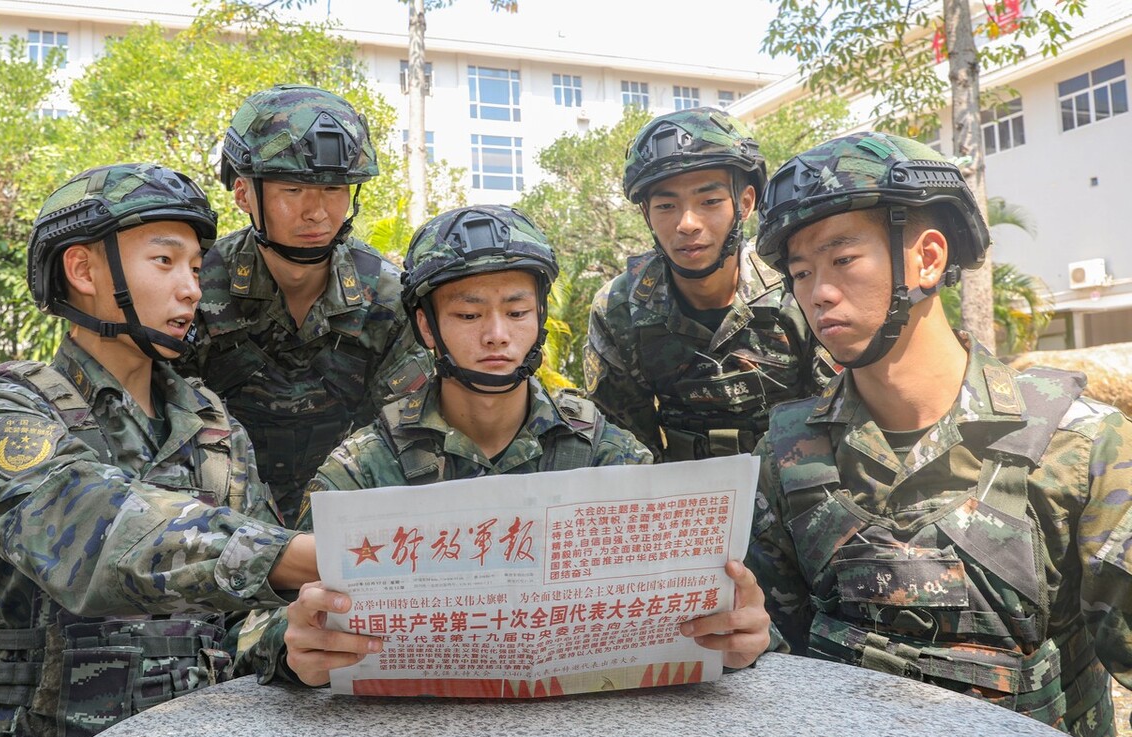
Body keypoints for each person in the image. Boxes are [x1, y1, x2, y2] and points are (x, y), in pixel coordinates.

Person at [234, 205, 773, 686]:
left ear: (538, 318)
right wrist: (292, 642)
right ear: (426, 326)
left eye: (517, 312)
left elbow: (689, 602)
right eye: (468, 315)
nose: (496, 334)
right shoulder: (362, 470)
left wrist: (739, 633)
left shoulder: (605, 452)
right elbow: (260, 624)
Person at [0, 164, 319, 737]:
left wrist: (291, 640)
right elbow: (96, 532)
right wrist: (292, 556)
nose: (192, 289)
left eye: (196, 268)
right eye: (164, 261)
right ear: (83, 272)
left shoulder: (213, 429)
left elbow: (247, 622)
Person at [748, 131, 1132, 737]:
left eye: (843, 260)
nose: (817, 292)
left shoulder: (1077, 443)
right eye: (800, 272)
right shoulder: (790, 452)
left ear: (927, 258)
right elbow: (776, 653)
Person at [180, 84, 432, 526]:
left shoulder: (387, 297)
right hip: (214, 524)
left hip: (355, 519)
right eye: (294, 190)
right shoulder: (198, 286)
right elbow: (168, 431)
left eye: (335, 189)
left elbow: (407, 435)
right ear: (243, 195)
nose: (317, 212)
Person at [584, 107, 835, 462]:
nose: (687, 223)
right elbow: (622, 445)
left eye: (710, 201)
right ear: (646, 215)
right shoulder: (619, 307)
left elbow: (840, 418)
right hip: (679, 502)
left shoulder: (797, 288)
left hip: (797, 489)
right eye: (667, 205)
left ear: (745, 203)